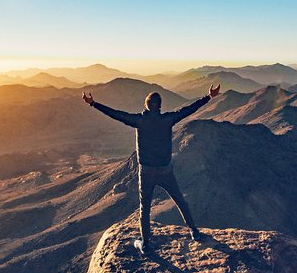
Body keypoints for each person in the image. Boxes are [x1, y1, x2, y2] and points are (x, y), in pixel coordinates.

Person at [82, 84, 220, 254]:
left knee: (145, 207)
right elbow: (188, 110)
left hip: (146, 171)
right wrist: (208, 97)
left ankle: (145, 244)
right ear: (160, 106)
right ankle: (194, 231)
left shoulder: (139, 121)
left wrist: (93, 103)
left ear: (146, 105)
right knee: (179, 200)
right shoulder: (168, 119)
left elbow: (116, 114)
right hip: (165, 169)